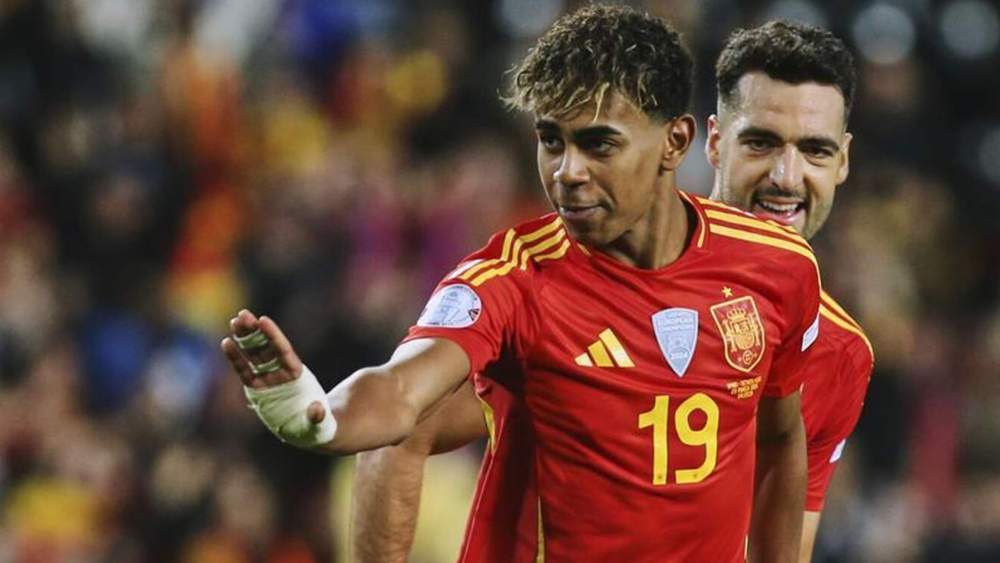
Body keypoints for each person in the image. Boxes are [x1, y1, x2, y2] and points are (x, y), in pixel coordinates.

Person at [222, 5, 821, 562]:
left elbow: (781, 441)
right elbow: (401, 391)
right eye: (551, 140)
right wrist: (316, 416)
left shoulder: (777, 267)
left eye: (598, 143)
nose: (568, 173)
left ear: (676, 142)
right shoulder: (513, 279)